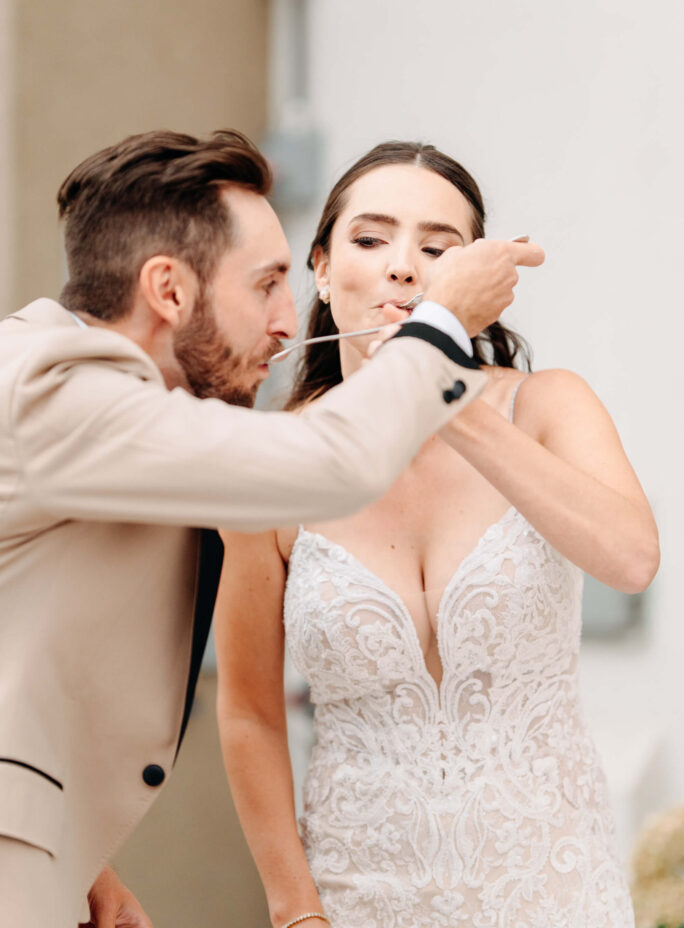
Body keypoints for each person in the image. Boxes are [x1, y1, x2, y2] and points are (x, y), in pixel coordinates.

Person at [0, 129, 543, 928]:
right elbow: (331, 464)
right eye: (266, 285)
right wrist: (443, 322)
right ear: (170, 292)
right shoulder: (52, 387)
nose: (290, 324)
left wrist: (57, 847)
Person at [215, 141, 660, 928]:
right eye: (370, 239)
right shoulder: (273, 467)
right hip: (359, 894)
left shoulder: (550, 406)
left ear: (478, 287)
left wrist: (437, 389)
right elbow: (249, 710)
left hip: (554, 888)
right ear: (320, 268)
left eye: (436, 248)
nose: (401, 266)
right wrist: (295, 911)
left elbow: (630, 559)